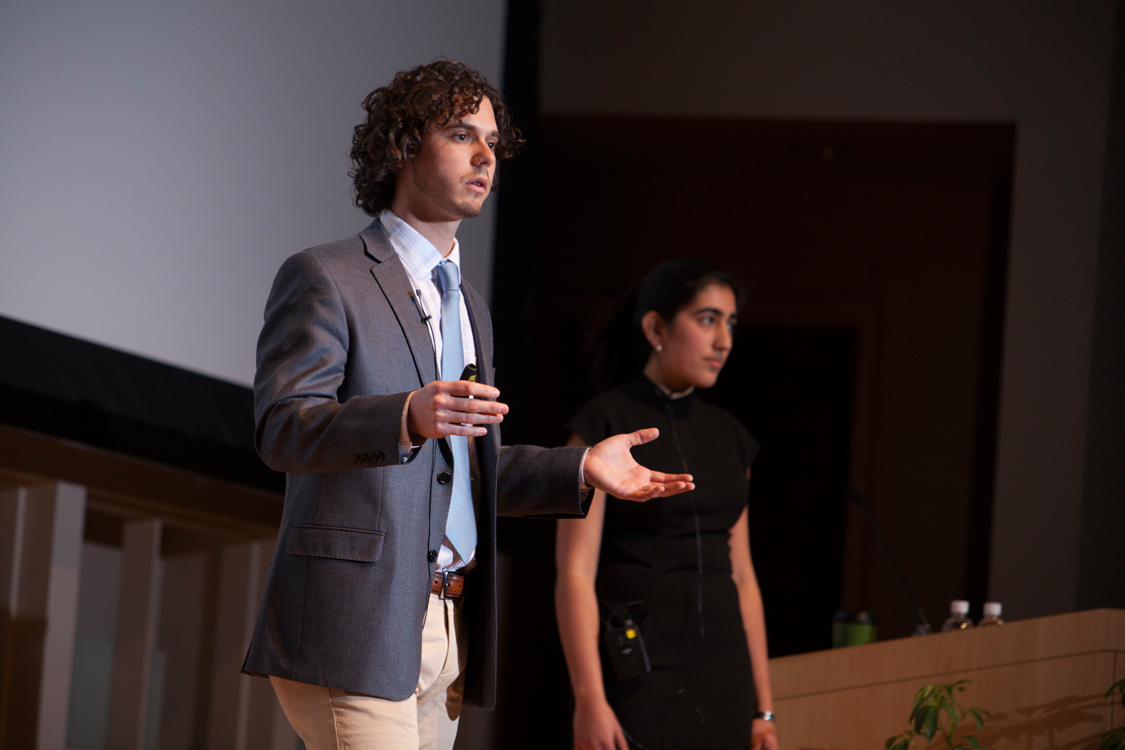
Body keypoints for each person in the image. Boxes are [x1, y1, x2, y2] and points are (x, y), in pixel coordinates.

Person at [242, 61, 693, 750]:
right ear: (400, 148)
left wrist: (578, 470)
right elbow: (283, 429)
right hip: (355, 620)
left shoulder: (469, 305)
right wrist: (402, 416)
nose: (485, 156)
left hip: (447, 624)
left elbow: (461, 471)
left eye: (491, 141)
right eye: (460, 134)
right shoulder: (326, 277)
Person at [555, 259, 780, 750]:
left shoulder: (732, 439)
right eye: (707, 319)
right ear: (656, 327)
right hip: (639, 675)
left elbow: (743, 577)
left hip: (726, 679)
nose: (724, 340)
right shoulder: (603, 425)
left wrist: (763, 708)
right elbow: (575, 572)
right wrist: (589, 699)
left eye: (731, 323)